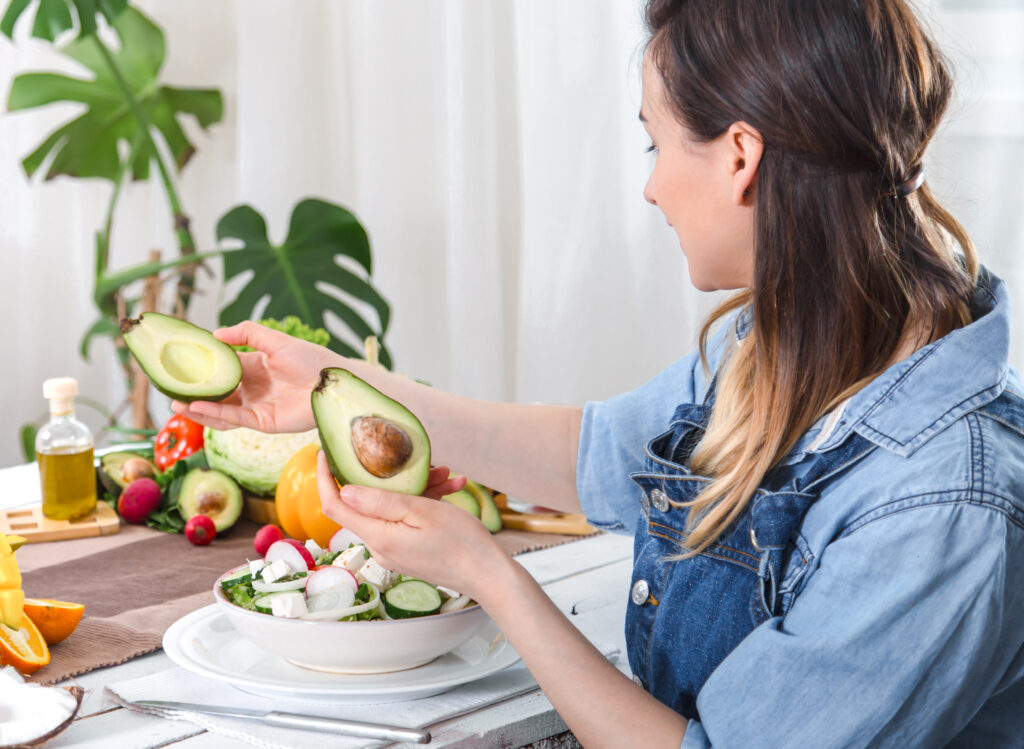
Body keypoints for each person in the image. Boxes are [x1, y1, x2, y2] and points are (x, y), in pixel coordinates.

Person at [175, 0, 1024, 746]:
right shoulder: (792, 344)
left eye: (655, 145)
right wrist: (344, 388)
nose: (652, 188)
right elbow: (600, 454)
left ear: (740, 157)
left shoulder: (945, 505)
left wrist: (491, 576)